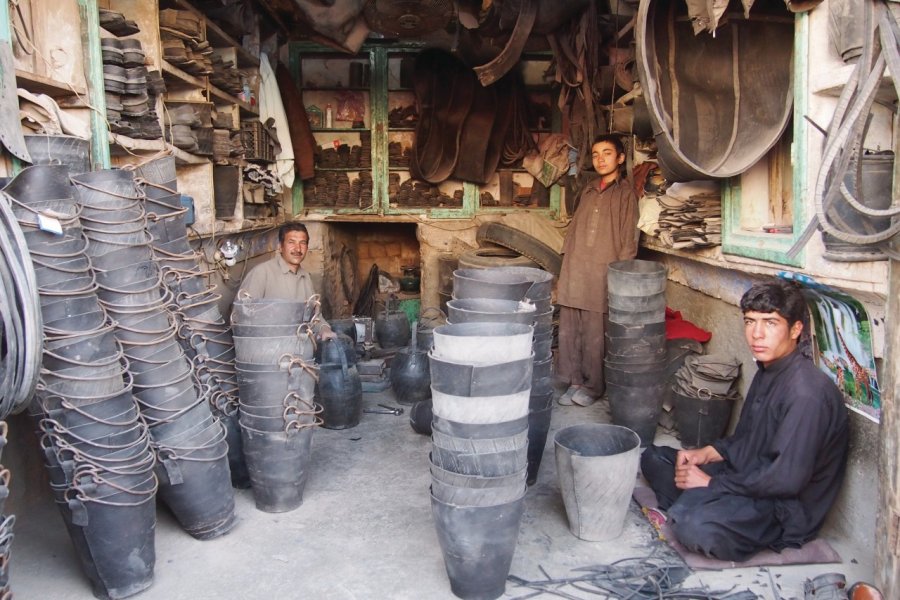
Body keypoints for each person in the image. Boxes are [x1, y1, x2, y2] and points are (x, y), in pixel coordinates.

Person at [641, 279, 849, 562]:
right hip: (745, 477)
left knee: (694, 526)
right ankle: (697, 502)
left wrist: (711, 485)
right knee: (655, 457)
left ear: (796, 330)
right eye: (750, 322)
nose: (757, 334)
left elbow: (786, 480)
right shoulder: (768, 369)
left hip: (780, 509)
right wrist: (709, 453)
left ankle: (698, 505)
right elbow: (748, 438)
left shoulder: (807, 394)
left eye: (771, 323)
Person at [557, 134, 638, 407]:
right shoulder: (589, 189)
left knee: (594, 331)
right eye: (595, 154)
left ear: (620, 158)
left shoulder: (626, 194)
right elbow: (574, 230)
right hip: (576, 266)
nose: (600, 159)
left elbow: (629, 241)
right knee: (570, 326)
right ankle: (574, 381)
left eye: (607, 153)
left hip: (603, 270)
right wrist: (567, 262)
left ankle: (593, 387)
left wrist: (621, 276)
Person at [239, 221, 334, 338]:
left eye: (302, 243)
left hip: (300, 348)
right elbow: (242, 316)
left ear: (307, 247)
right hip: (267, 349)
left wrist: (324, 329)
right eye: (291, 242)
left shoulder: (306, 277)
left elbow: (315, 316)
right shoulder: (262, 273)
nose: (297, 248)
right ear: (280, 247)